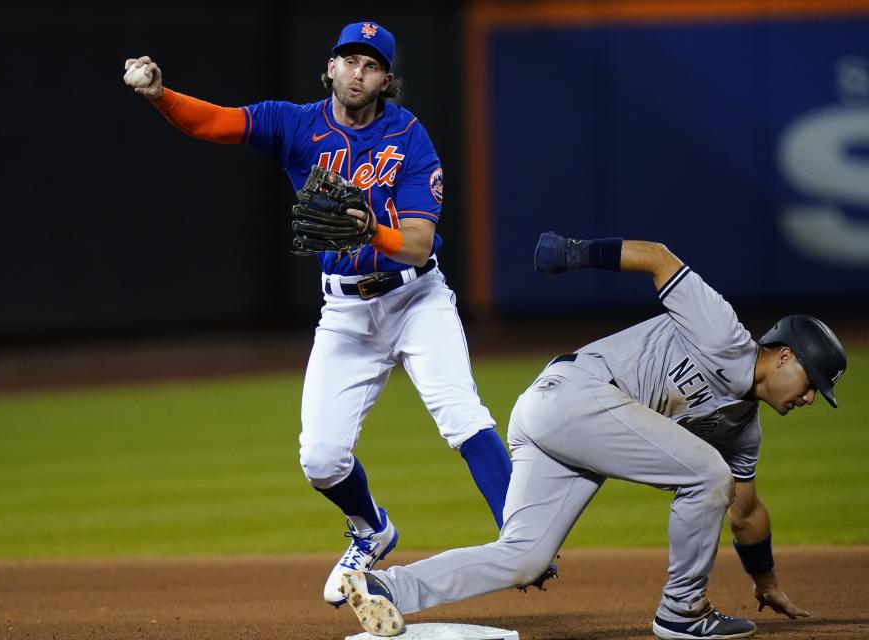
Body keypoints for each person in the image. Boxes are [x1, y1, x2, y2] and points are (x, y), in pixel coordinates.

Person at [123, 21, 513, 607]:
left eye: (371, 64)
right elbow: (216, 122)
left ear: (386, 79)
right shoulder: (295, 123)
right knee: (321, 459)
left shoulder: (409, 137)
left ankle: (526, 537)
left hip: (416, 300)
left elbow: (416, 243)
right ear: (329, 68)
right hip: (345, 312)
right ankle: (371, 529)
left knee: (461, 413)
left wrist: (368, 228)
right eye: (349, 60)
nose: (358, 71)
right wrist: (161, 95)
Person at [339, 231, 847, 639]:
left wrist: (766, 580)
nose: (807, 399)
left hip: (559, 417)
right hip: (572, 396)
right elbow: (658, 258)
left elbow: (746, 512)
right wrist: (574, 254)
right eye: (810, 383)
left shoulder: (744, 429)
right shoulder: (723, 332)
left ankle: (389, 586)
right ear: (783, 356)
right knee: (707, 472)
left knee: (525, 557)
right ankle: (683, 611)